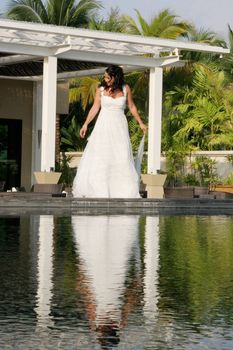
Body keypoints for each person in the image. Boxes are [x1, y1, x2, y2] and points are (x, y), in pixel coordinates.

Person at [72, 65, 147, 198]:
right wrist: (85, 124)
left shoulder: (125, 88)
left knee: (121, 156)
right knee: (102, 157)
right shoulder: (100, 89)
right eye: (105, 76)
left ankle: (122, 191)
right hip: (103, 126)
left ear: (115, 77)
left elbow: (131, 106)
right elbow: (95, 107)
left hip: (119, 127)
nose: (105, 79)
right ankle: (100, 190)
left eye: (108, 77)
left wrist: (140, 123)